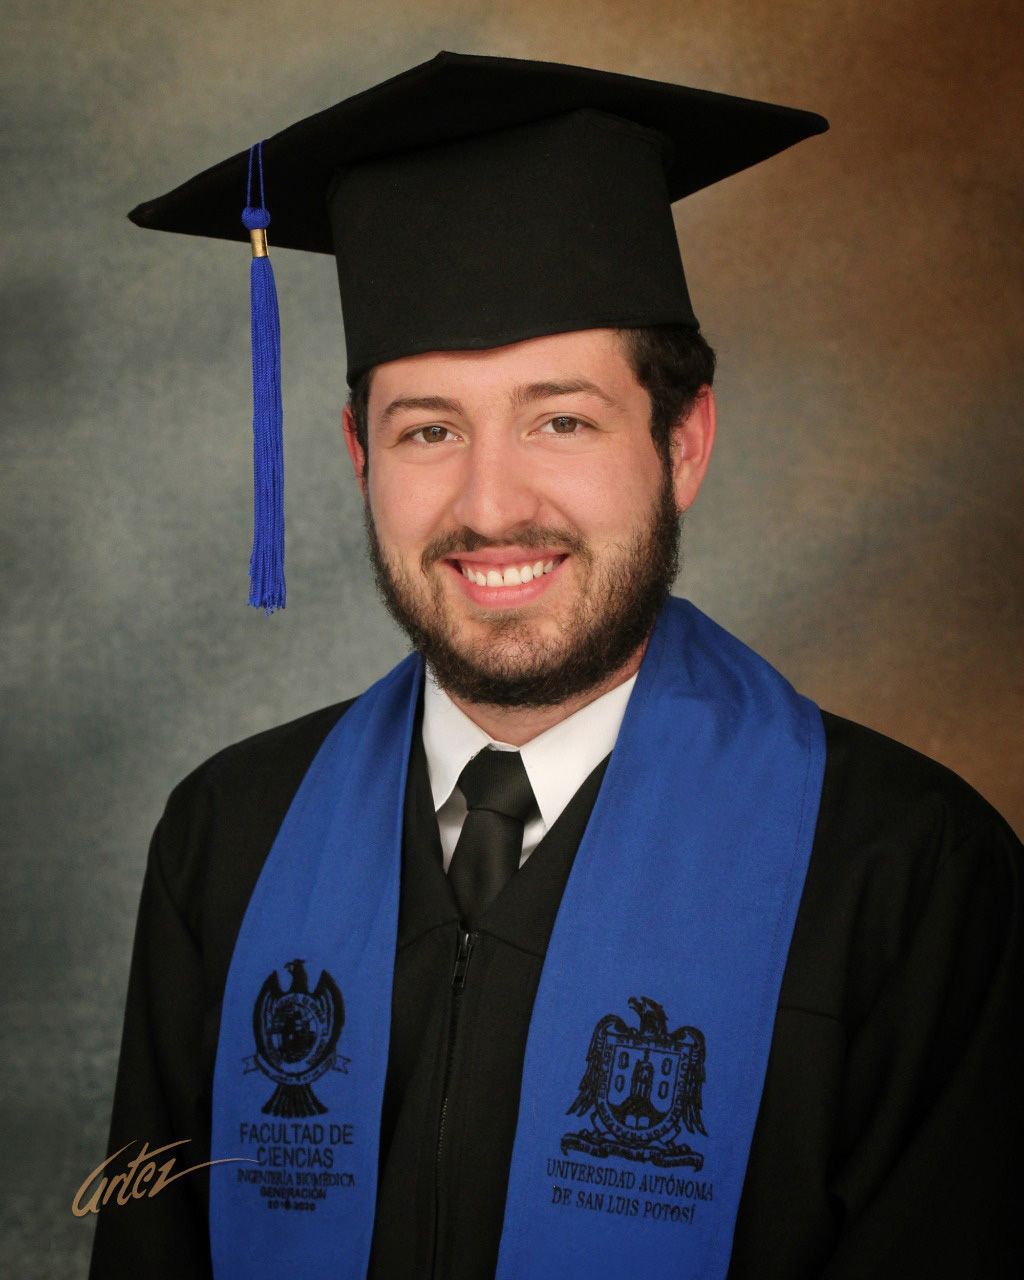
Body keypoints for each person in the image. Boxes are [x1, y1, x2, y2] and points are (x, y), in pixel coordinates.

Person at [89, 52, 1021, 1280]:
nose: (489, 503)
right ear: (359, 457)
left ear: (681, 442)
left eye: (560, 419)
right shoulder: (229, 837)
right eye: (428, 428)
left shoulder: (907, 878)